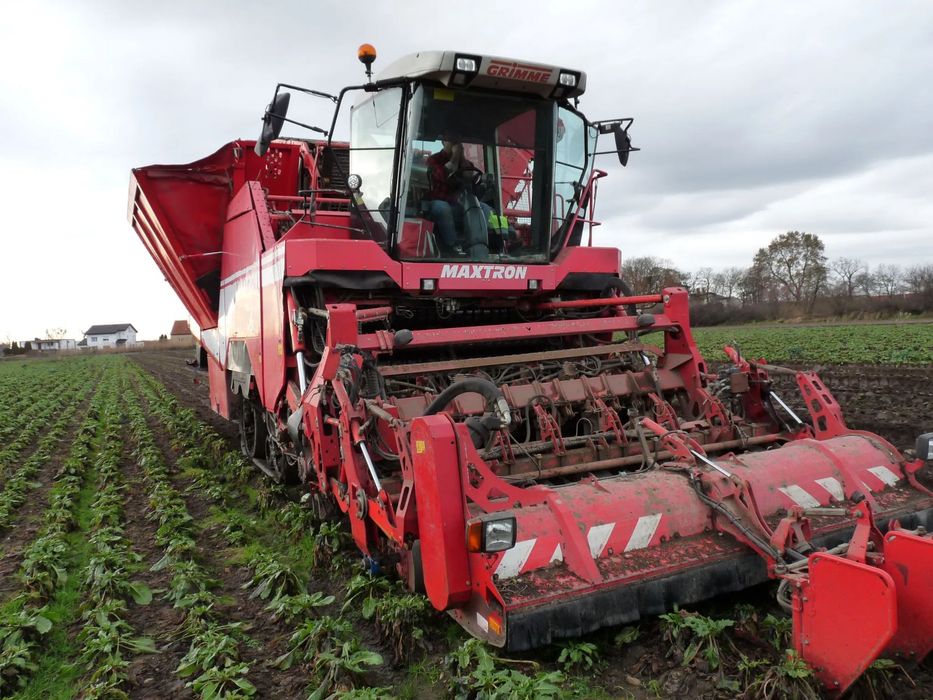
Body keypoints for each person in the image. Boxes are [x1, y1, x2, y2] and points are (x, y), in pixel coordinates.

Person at [423, 140, 492, 256]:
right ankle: (453, 246)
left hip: (460, 203)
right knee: (442, 208)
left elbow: (470, 175)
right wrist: (454, 156)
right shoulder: (434, 160)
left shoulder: (465, 163)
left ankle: (483, 246)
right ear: (444, 142)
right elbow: (443, 174)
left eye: (458, 140)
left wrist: (461, 157)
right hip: (438, 201)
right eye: (452, 140)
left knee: (486, 209)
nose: (456, 144)